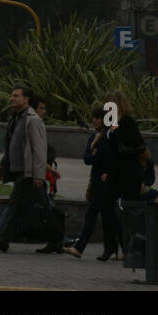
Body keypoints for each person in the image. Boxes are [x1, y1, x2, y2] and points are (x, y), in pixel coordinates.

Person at [0, 86, 60, 254]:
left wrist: (38, 175)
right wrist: (2, 164)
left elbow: (39, 150)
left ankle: (4, 239)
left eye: (16, 96)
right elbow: (12, 145)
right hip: (20, 170)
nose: (11, 98)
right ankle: (58, 240)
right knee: (38, 206)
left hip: (28, 172)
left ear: (26, 99)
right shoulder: (16, 118)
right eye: (11, 95)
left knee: (17, 204)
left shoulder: (32, 120)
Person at [99, 90, 147, 262]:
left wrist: (123, 149)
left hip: (129, 173)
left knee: (131, 211)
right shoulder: (109, 124)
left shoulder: (127, 123)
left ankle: (132, 249)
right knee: (106, 207)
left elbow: (139, 146)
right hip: (114, 173)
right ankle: (110, 248)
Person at [65, 106, 114, 259]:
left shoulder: (109, 138)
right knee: (109, 216)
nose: (94, 120)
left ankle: (80, 248)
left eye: (97, 117)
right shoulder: (93, 138)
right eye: (93, 117)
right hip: (96, 181)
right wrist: (93, 152)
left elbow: (105, 158)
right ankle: (115, 249)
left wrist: (94, 153)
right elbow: (87, 159)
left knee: (94, 214)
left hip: (106, 182)